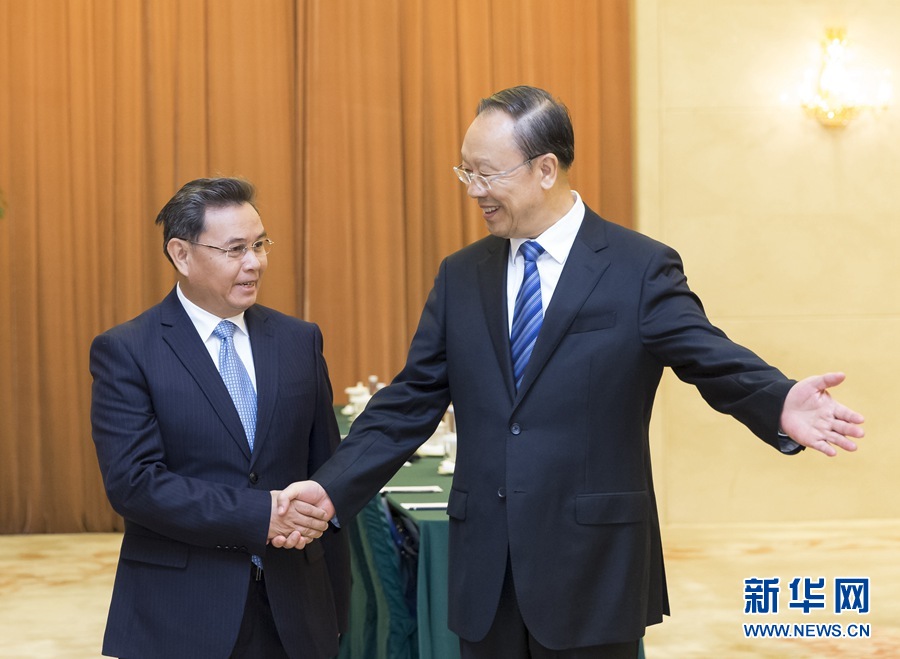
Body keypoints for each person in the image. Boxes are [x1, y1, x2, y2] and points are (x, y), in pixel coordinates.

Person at [275, 86, 865, 659]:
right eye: (466, 173)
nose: (474, 190)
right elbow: (411, 400)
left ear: (545, 169)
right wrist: (330, 487)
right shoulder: (462, 274)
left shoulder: (637, 267)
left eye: (487, 174)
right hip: (487, 572)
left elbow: (707, 354)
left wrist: (777, 399)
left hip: (593, 566)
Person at [89, 177, 350, 659]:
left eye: (260, 245)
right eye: (235, 249)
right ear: (181, 254)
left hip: (295, 609)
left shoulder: (299, 341)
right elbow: (134, 484)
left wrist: (336, 607)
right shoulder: (128, 350)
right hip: (181, 612)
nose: (254, 263)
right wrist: (261, 515)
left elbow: (325, 470)